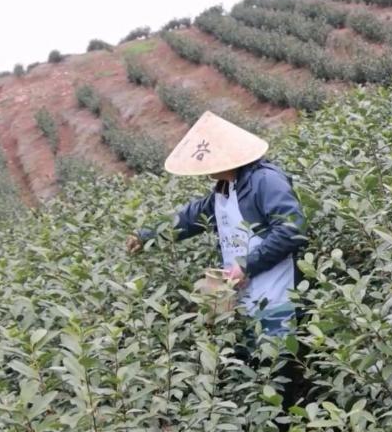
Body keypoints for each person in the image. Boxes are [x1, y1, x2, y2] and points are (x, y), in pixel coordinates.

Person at [125, 111, 309, 404]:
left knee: (276, 384)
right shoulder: (224, 189)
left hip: (277, 300)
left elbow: (292, 230)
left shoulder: (265, 181)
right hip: (243, 304)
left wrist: (247, 265)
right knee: (252, 381)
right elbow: (189, 218)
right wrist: (147, 235)